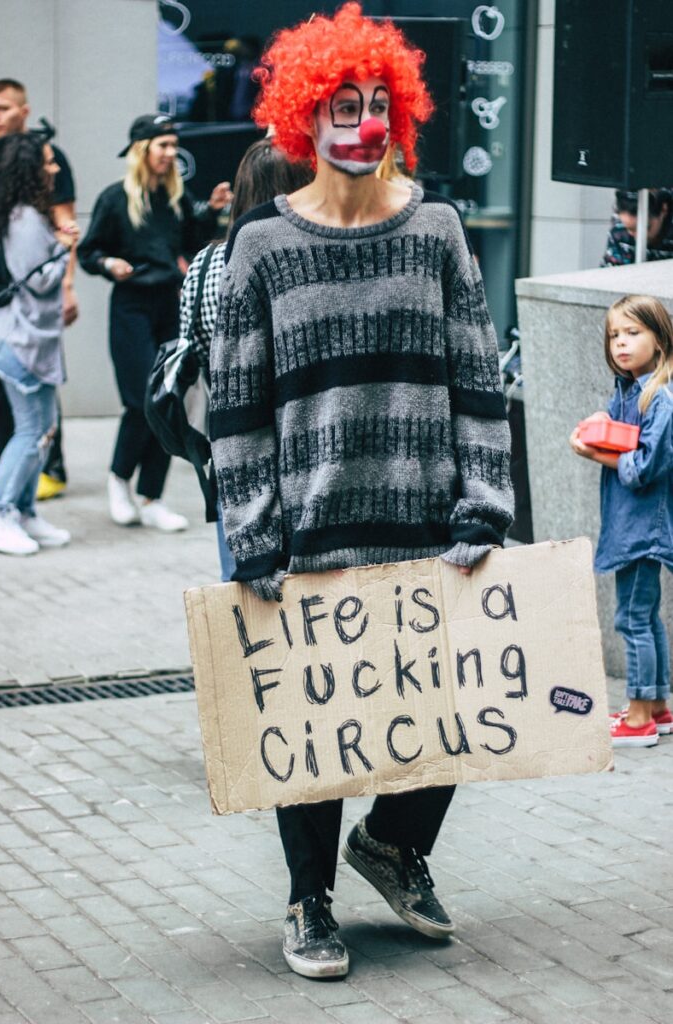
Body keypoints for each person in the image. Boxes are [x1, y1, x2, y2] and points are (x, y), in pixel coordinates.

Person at [210, 4, 514, 979]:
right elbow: (236, 404)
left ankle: (393, 844)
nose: (362, 121)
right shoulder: (259, 244)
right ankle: (308, 901)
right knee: (315, 734)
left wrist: (484, 504)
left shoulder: (435, 228)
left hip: (426, 522)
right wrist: (253, 531)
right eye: (342, 103)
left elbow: (477, 376)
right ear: (305, 116)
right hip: (309, 528)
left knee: (446, 715)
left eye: (378, 102)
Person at [78, 114, 232, 532]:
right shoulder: (114, 199)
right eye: (163, 145)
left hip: (169, 304)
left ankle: (151, 497)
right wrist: (109, 263)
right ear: (142, 150)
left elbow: (190, 242)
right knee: (137, 401)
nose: (170, 153)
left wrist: (212, 211)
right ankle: (119, 479)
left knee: (170, 398)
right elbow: (88, 252)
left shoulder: (175, 198)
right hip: (130, 305)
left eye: (171, 145)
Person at [179, 137, 312, 580]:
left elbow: (194, 347)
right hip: (304, 446)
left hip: (230, 448)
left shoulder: (204, 264)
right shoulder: (306, 262)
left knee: (243, 589)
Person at [570, 295, 673, 747]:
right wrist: (599, 423)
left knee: (632, 619)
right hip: (634, 527)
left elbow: (645, 466)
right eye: (615, 335)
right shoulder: (631, 391)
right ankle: (656, 708)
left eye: (633, 333)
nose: (622, 343)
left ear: (660, 338)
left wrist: (596, 453)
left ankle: (637, 721)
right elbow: (619, 430)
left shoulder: (660, 397)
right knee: (646, 617)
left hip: (642, 530)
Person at [0, 78, 79, 499]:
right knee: (29, 426)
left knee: (36, 424)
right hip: (17, 328)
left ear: (23, 110)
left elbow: (52, 245)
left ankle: (21, 506)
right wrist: (61, 249)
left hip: (19, 323)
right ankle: (2, 508)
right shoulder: (23, 217)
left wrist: (68, 284)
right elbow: (39, 269)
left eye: (2, 108)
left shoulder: (23, 205)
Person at [601, 189, 673, 266]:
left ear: (663, 210)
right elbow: (609, 269)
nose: (638, 236)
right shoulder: (619, 229)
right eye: (629, 229)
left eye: (646, 228)